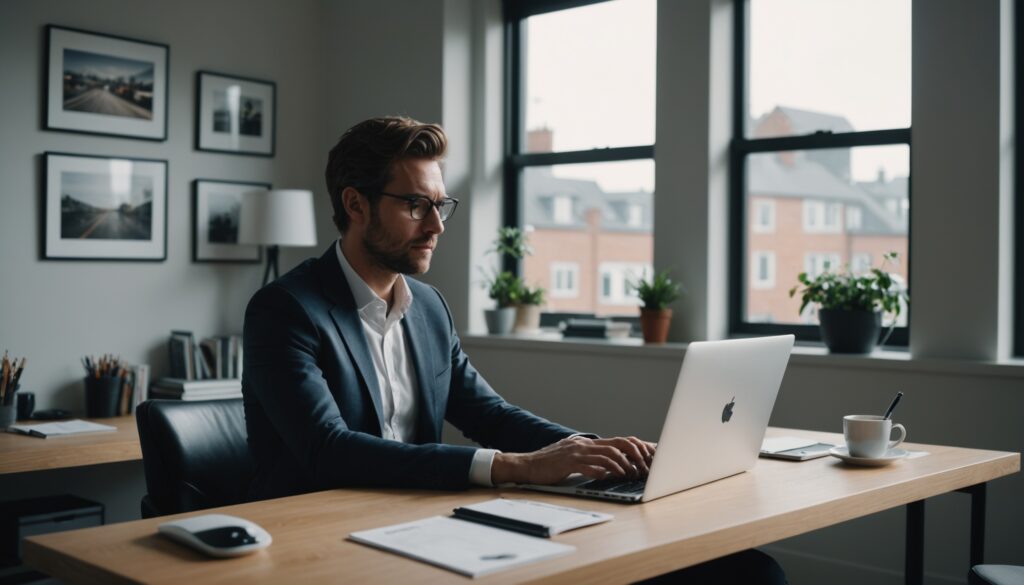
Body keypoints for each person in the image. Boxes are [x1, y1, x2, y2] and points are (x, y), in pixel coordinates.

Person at [242, 116, 785, 585]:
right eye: (415, 205)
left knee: (748, 571)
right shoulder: (285, 309)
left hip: (429, 524)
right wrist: (513, 467)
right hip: (330, 542)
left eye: (439, 205)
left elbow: (487, 414)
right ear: (355, 205)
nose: (435, 226)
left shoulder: (427, 307)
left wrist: (594, 451)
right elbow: (329, 451)